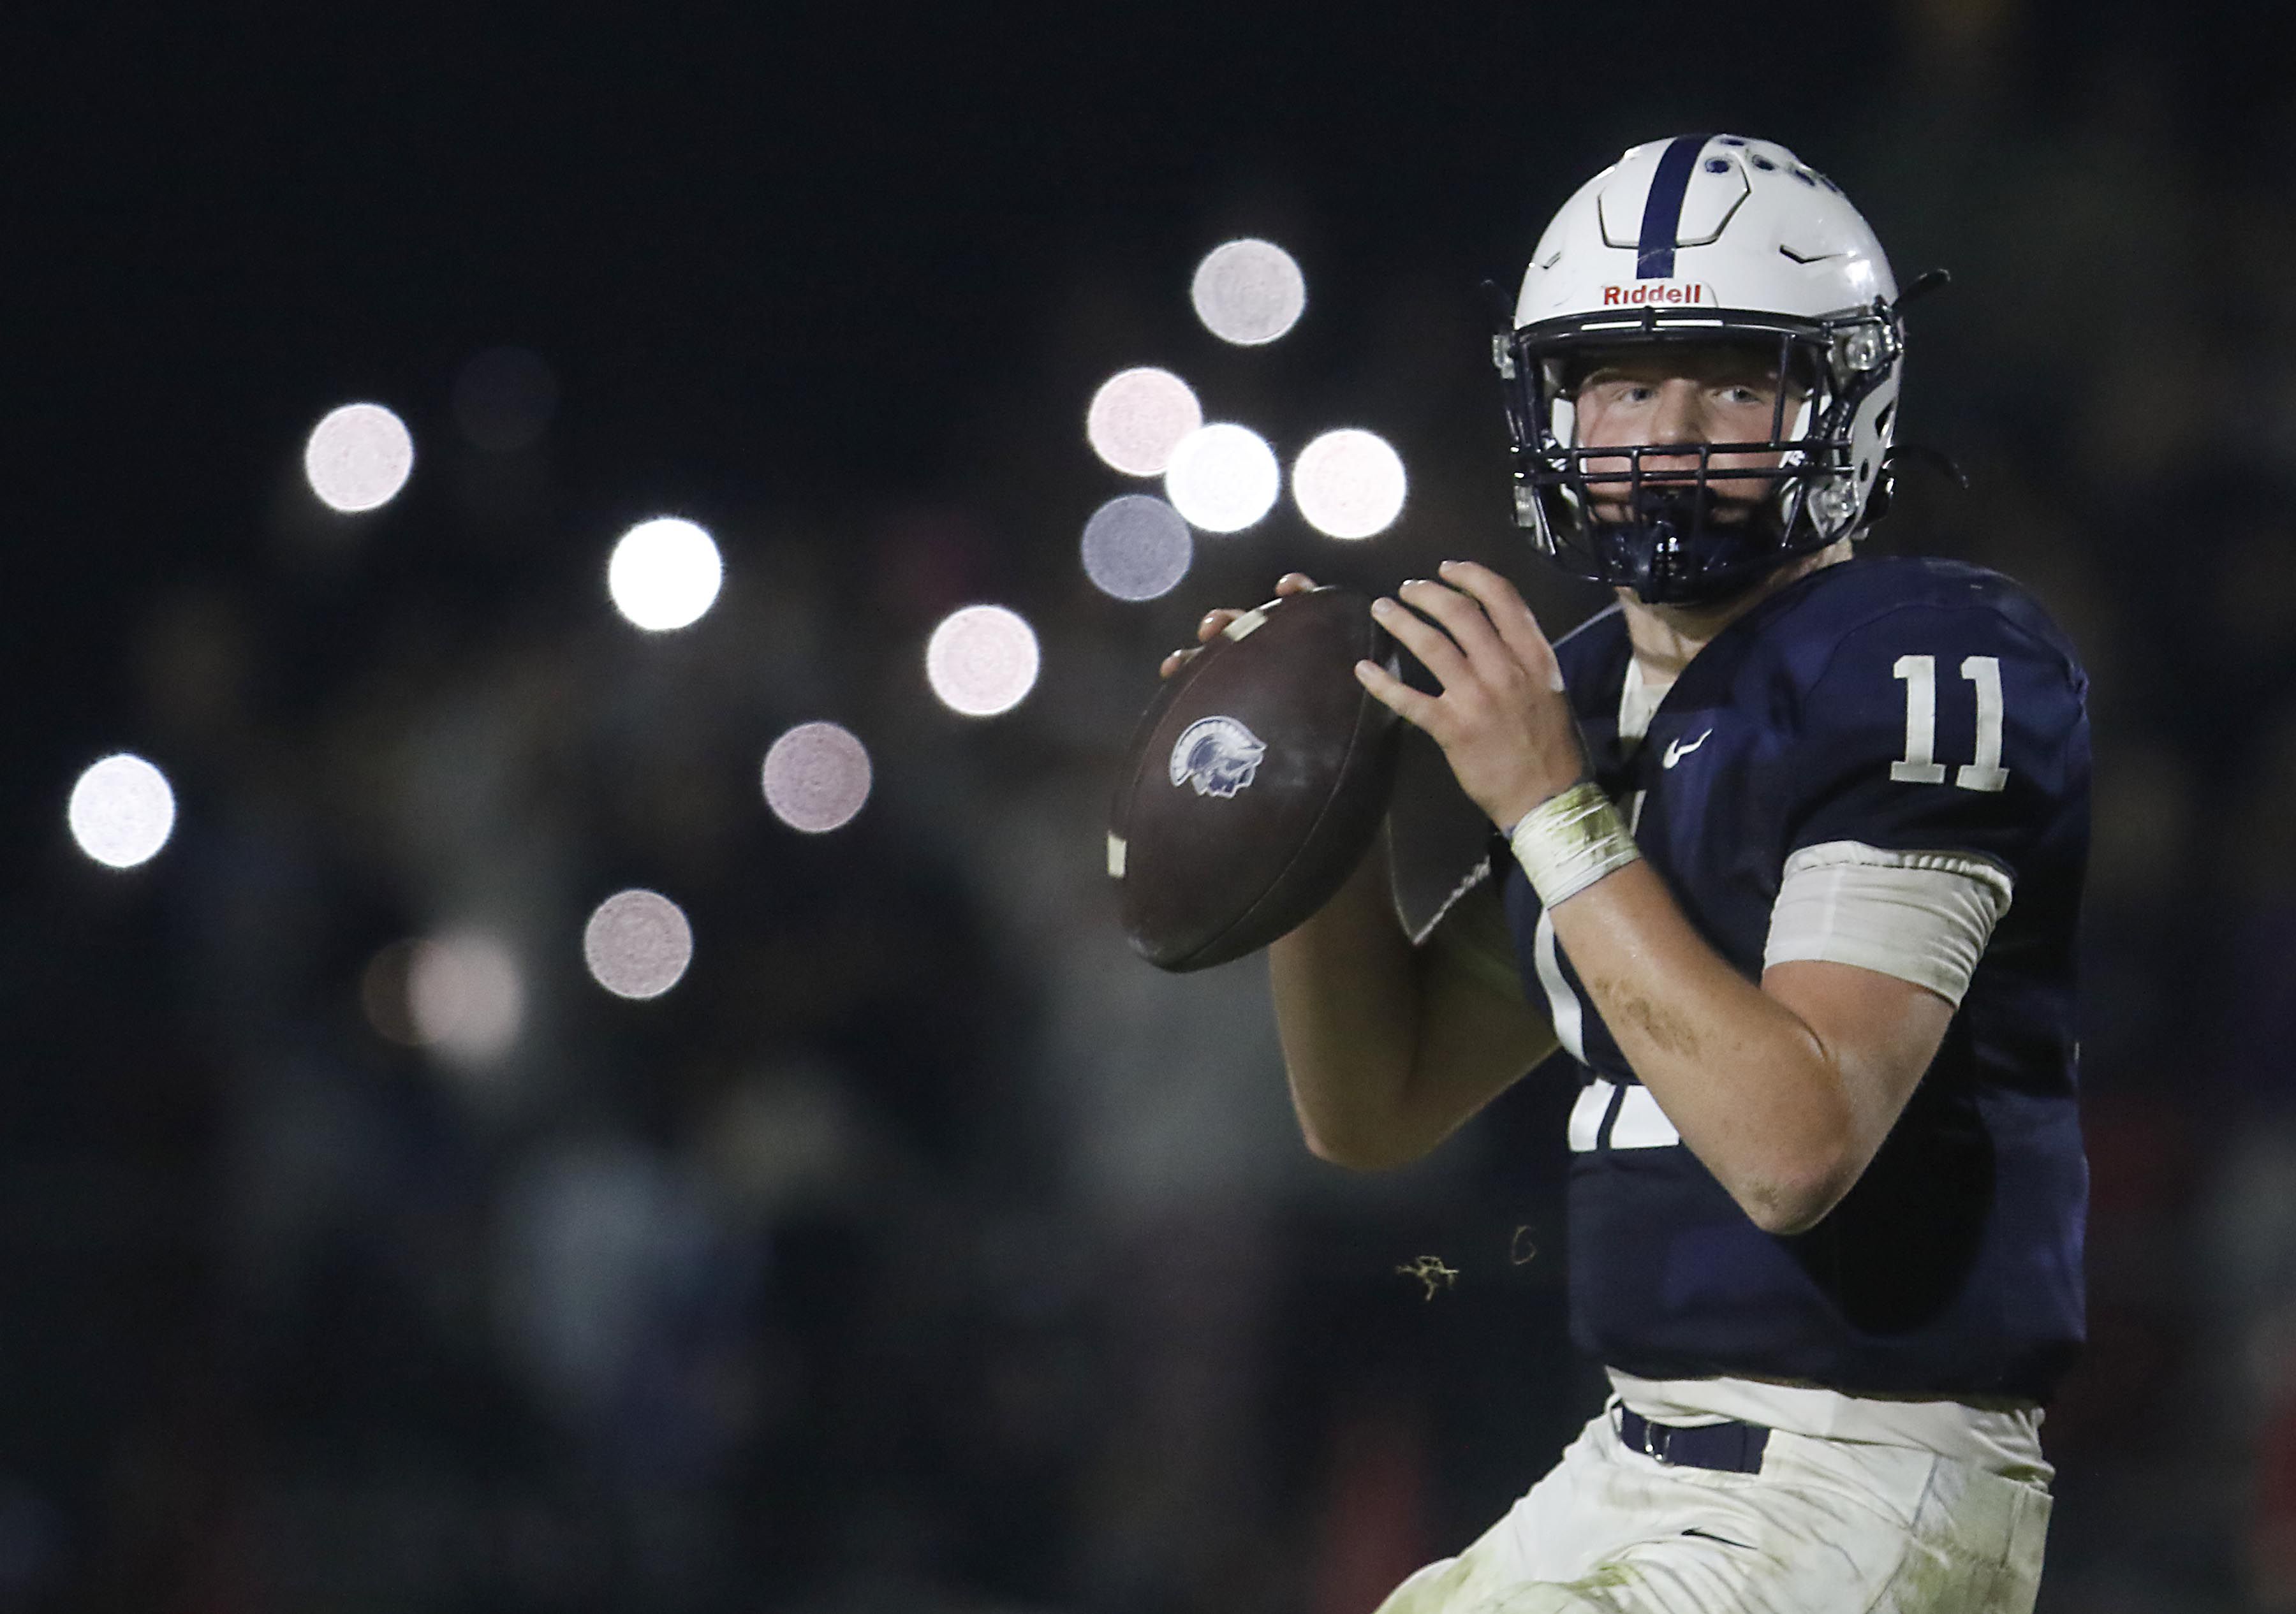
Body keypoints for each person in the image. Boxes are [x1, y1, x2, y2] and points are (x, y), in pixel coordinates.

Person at [1165, 135, 2087, 1611]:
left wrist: (1548, 803)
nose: (1667, 430)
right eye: (1619, 380)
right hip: (1630, 1455)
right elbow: (1373, 1105)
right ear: (1551, 407)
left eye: (1733, 379)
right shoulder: (1590, 693)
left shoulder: (1920, 660)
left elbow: (1798, 1149)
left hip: (1859, 1465)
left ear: (1843, 402)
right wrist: (1317, 814)